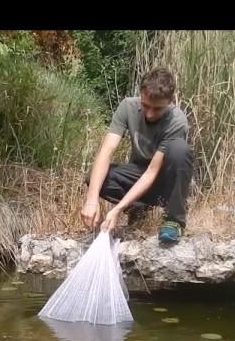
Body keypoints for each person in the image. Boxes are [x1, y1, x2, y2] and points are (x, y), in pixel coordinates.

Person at [81, 67, 194, 243]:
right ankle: (139, 208)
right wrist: (91, 200)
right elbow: (106, 151)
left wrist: (118, 209)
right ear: (140, 95)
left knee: (180, 150)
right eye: (145, 105)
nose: (149, 114)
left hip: (163, 180)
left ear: (170, 101)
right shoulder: (127, 106)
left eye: (157, 109)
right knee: (95, 177)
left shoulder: (177, 121)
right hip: (138, 173)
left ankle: (174, 220)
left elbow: (152, 172)